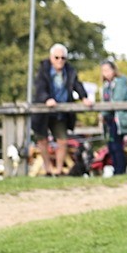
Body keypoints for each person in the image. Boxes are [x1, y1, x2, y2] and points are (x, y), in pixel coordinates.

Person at [31, 43, 93, 176]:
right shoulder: (43, 70)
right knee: (42, 140)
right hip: (43, 112)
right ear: (51, 57)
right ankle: (48, 169)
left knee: (62, 140)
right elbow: (39, 87)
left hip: (61, 113)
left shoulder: (69, 71)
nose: (60, 61)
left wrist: (84, 97)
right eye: (57, 57)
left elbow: (77, 84)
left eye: (63, 58)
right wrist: (46, 98)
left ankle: (58, 171)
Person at [99, 60, 127, 176]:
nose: (105, 73)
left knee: (116, 145)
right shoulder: (106, 86)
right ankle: (117, 169)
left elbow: (117, 100)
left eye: (107, 70)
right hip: (110, 119)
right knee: (111, 146)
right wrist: (102, 114)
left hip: (119, 118)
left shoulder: (120, 82)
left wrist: (104, 111)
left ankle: (120, 170)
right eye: (103, 71)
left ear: (113, 70)